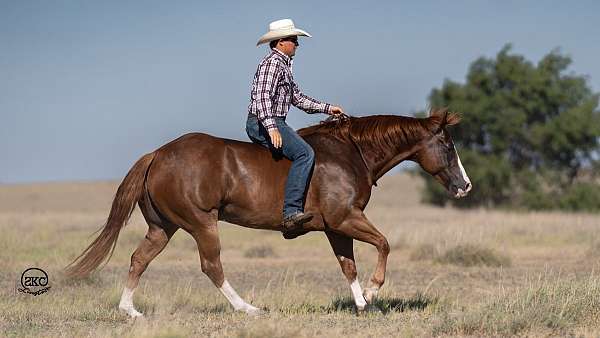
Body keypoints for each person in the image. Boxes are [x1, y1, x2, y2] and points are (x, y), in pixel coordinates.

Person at [246, 19, 345, 234]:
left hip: (273, 120)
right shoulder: (272, 64)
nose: (297, 44)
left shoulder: (283, 65)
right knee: (305, 154)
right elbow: (262, 98)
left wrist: (327, 108)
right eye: (294, 40)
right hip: (264, 122)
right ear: (280, 42)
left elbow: (297, 98)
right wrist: (271, 128)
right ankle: (291, 212)